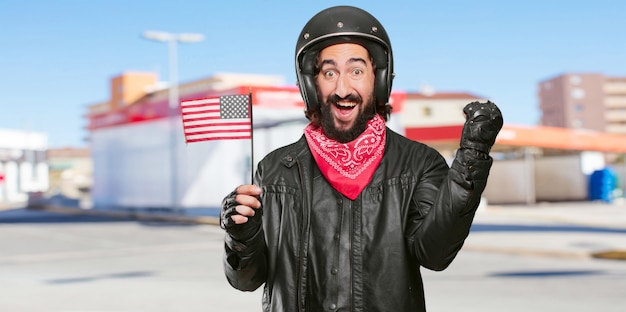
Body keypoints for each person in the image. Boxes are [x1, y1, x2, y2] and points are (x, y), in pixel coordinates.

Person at [220, 5, 503, 312]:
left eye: (356, 71)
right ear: (311, 85)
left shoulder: (419, 163)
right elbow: (247, 280)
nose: (343, 88)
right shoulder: (274, 170)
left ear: (378, 80)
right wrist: (242, 236)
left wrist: (470, 160)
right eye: (330, 73)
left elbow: (434, 254)